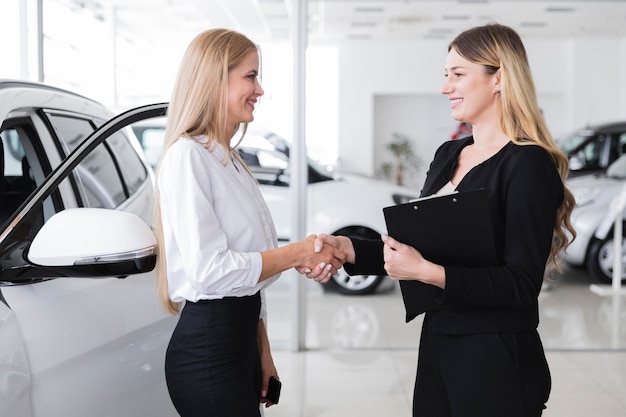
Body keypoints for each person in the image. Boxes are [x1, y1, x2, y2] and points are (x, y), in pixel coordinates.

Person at [306, 23, 576, 417]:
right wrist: (349, 250)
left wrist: (427, 272)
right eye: (445, 75)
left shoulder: (527, 164)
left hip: (496, 356)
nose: (445, 87)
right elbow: (422, 249)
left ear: (498, 78)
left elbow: (520, 284)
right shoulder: (448, 154)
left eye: (458, 74)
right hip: (438, 342)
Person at [153, 28, 345, 417]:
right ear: (214, 79)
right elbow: (210, 272)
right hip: (208, 355)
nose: (259, 89)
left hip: (239, 346)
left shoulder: (231, 160)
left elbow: (247, 277)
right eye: (250, 76)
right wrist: (296, 254)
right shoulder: (187, 157)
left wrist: (264, 352)